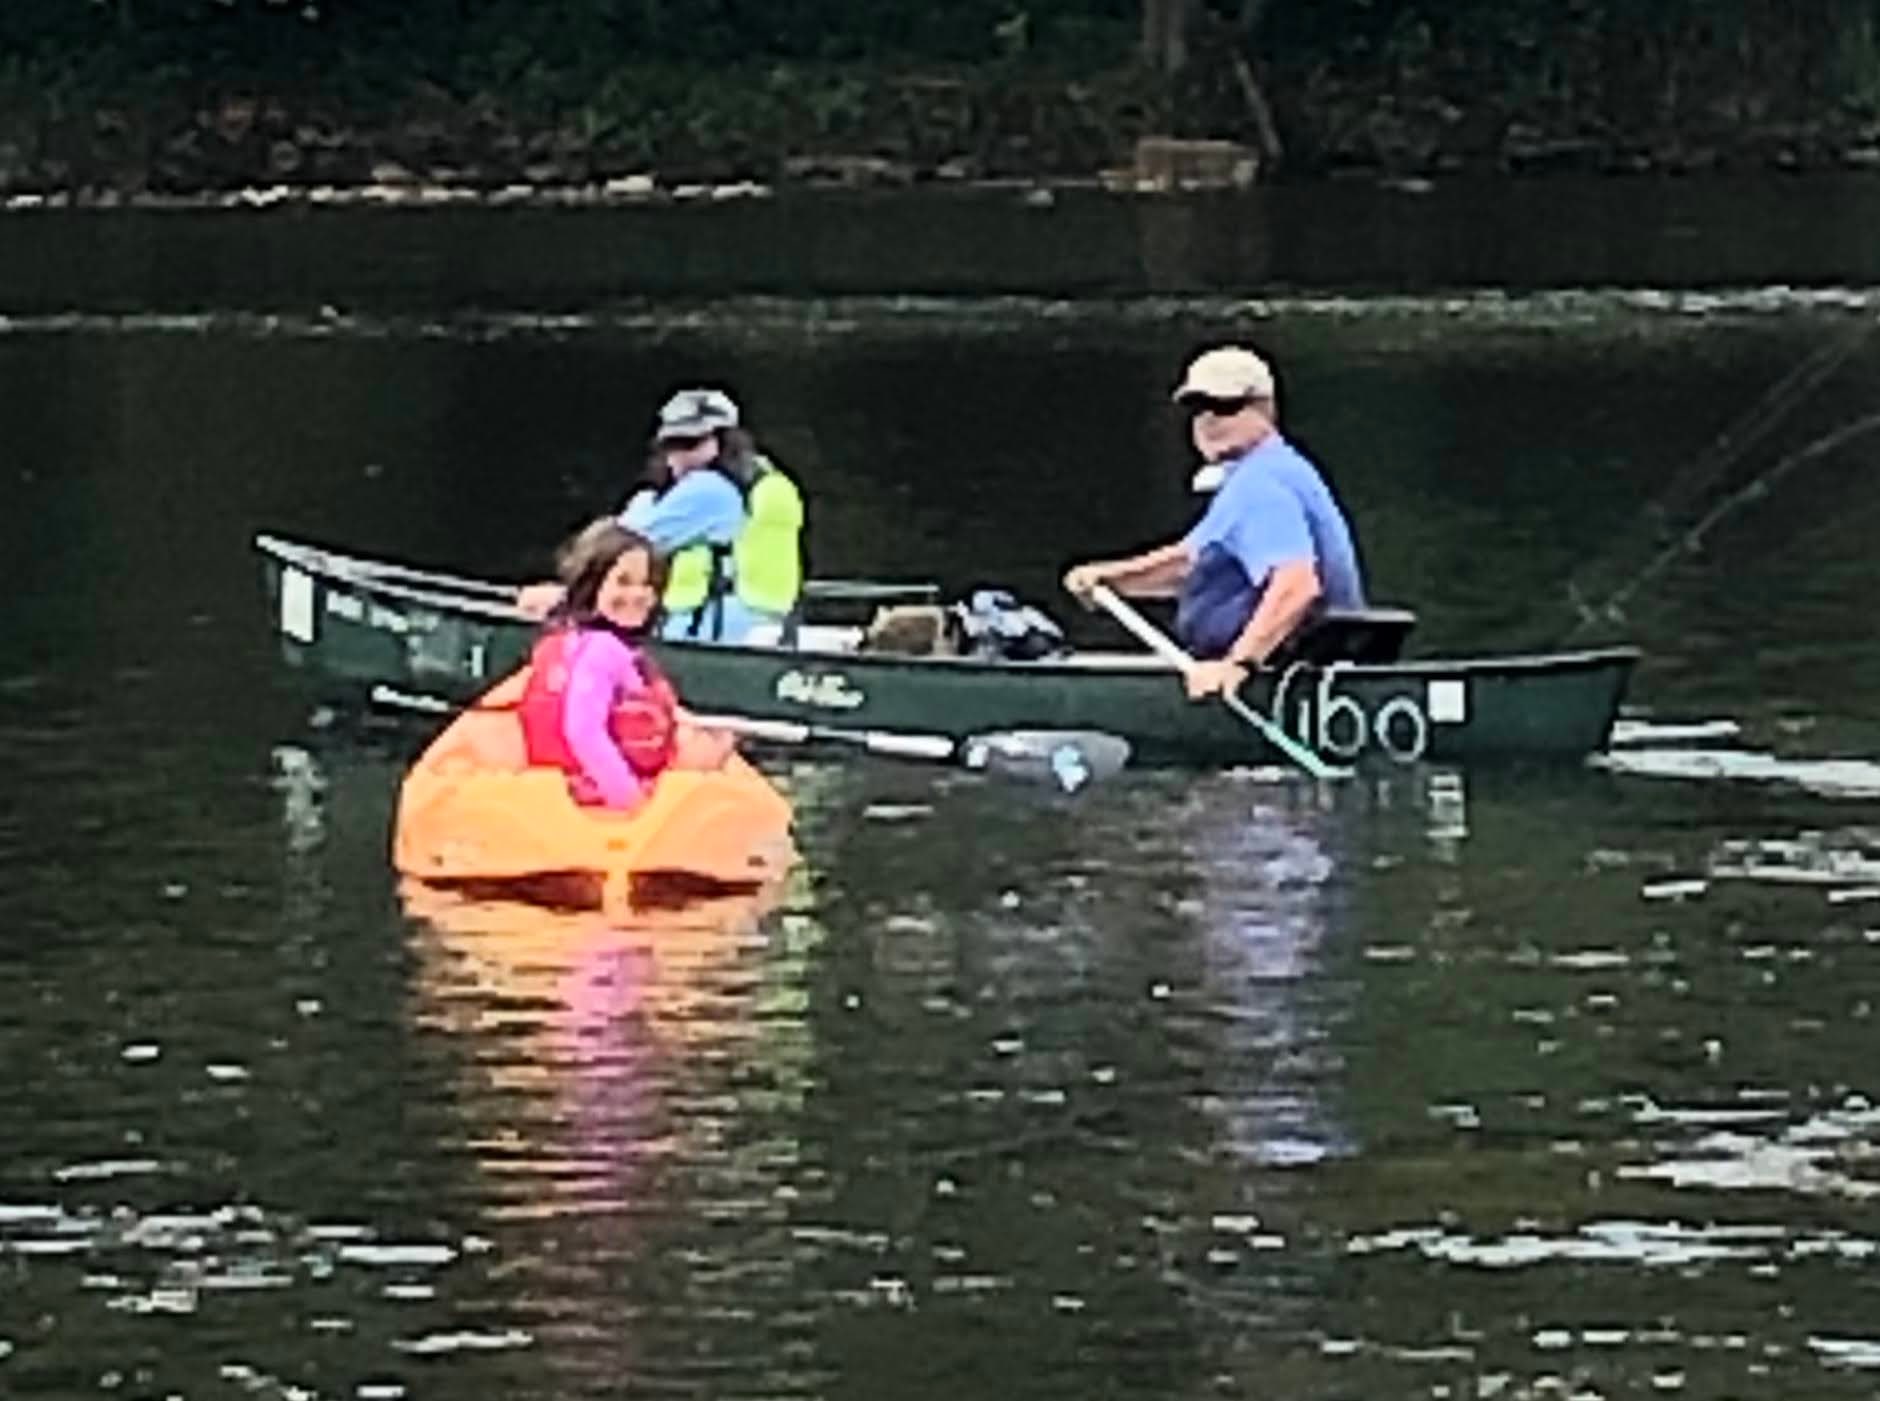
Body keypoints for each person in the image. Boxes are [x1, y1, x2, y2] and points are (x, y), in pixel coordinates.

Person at [1063, 344, 1366, 700]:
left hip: (1283, 675)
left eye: (1225, 407)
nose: (1209, 420)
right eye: (1197, 408)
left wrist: (1239, 665)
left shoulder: (1259, 486)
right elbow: (1190, 564)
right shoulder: (1271, 472)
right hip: (1308, 668)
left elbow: (1297, 584)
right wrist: (1108, 578)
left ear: (1265, 409)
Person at [519, 520, 733, 812]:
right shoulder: (603, 652)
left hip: (569, 787)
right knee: (716, 754)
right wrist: (632, 803)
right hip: (595, 795)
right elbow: (583, 730)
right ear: (593, 585)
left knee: (712, 742)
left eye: (647, 584)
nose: (637, 595)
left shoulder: (576, 639)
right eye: (623, 581)